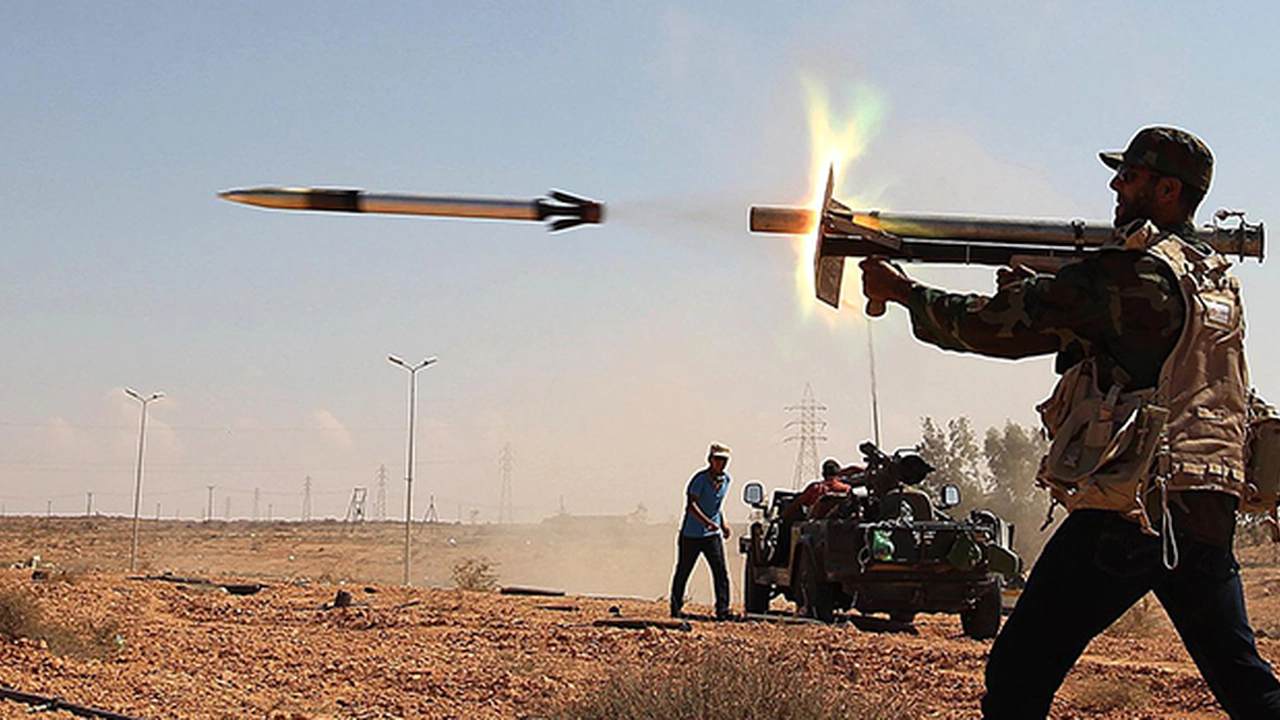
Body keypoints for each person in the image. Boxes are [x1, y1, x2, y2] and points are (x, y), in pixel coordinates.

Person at [860, 126, 1280, 719]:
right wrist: (1049, 296)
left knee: (1019, 671)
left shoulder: (1135, 275)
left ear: (1168, 190)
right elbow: (1143, 359)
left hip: (1135, 513)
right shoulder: (1212, 278)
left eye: (1130, 176)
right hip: (1207, 503)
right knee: (1247, 685)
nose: (1116, 185)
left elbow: (996, 329)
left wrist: (905, 292)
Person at [670, 442, 733, 620]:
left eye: (724, 460)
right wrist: (707, 522)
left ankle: (723, 610)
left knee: (720, 572)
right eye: (718, 459)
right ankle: (676, 608)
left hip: (712, 535)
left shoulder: (726, 480)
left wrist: (723, 524)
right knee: (684, 570)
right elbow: (691, 505)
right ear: (710, 460)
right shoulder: (700, 479)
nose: (721, 463)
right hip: (692, 534)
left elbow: (716, 506)